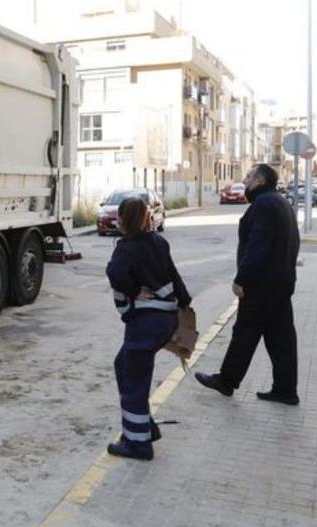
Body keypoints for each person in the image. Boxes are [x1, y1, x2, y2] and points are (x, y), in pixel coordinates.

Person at [195, 163, 301, 406]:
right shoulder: (282, 203)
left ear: (261, 180)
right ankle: (285, 390)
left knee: (245, 332)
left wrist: (242, 279)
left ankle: (227, 381)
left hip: (262, 286)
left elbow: (258, 246)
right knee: (281, 338)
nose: (246, 180)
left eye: (250, 176)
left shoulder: (263, 205)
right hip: (282, 283)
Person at [105, 197, 191, 461]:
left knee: (133, 379)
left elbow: (115, 274)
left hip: (146, 324)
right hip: (165, 321)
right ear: (145, 217)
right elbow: (174, 276)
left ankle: (138, 445)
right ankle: (146, 428)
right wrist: (185, 305)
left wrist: (134, 291)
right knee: (124, 365)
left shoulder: (127, 247)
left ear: (123, 219)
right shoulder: (159, 242)